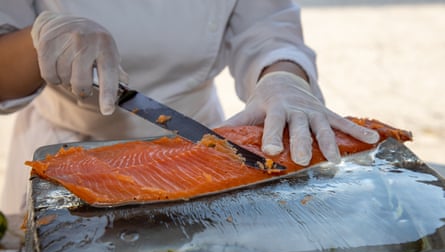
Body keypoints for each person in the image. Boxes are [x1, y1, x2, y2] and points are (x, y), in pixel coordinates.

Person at [0, 1, 379, 214]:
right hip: (65, 147)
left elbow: (269, 29)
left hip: (203, 148)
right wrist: (40, 43)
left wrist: (284, 78)